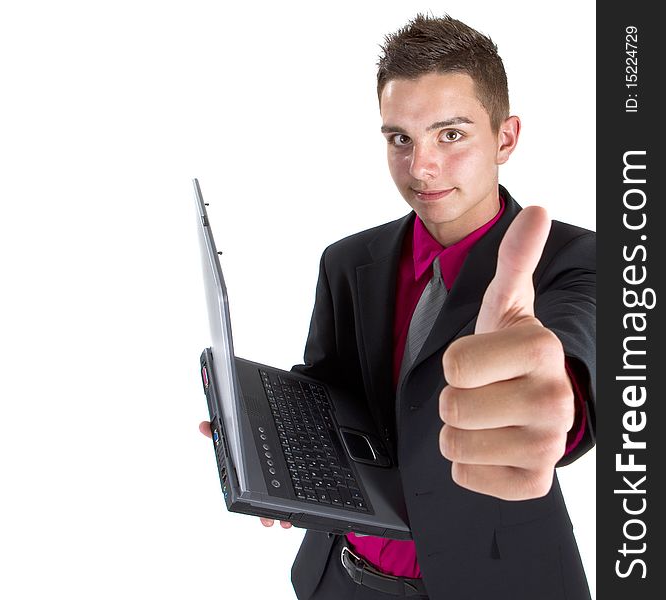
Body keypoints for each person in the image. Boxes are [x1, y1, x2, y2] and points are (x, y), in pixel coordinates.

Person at [200, 13, 595, 600]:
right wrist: (273, 451)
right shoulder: (346, 260)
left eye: (451, 134)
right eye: (400, 139)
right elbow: (330, 386)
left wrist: (552, 401)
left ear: (505, 138)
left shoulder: (578, 258)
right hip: (343, 573)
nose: (421, 166)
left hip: (496, 576)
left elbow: (569, 363)